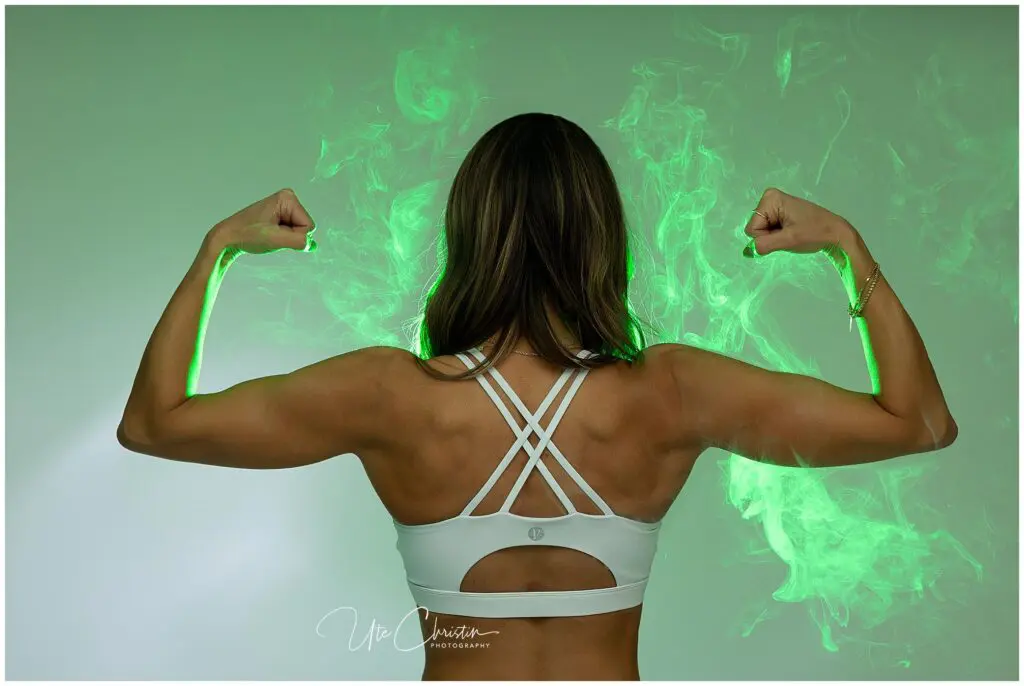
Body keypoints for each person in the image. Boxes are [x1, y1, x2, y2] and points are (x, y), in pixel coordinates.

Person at [117, 113, 957, 680]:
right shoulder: (669, 389)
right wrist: (847, 249)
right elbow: (917, 421)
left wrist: (216, 253)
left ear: (467, 233)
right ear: (602, 236)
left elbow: (154, 423)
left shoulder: (385, 392)